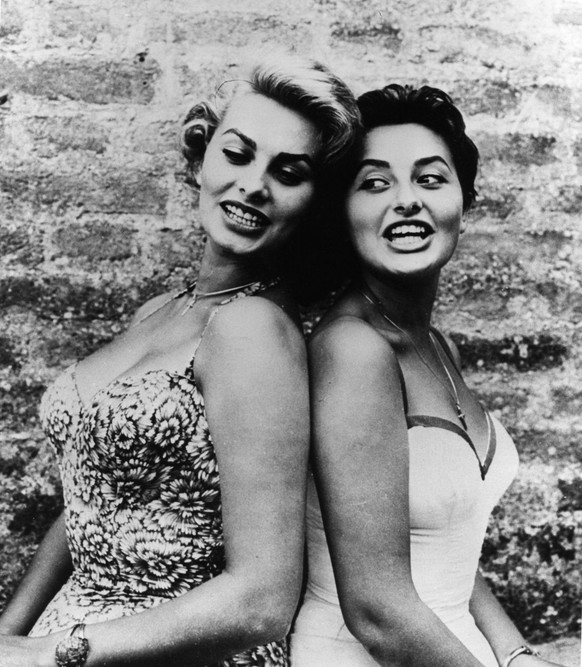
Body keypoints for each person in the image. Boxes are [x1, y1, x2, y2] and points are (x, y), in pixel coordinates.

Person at [0, 55, 360, 666]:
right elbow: (86, 501)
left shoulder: (253, 330)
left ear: (315, 203)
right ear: (201, 157)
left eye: (288, 172)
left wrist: (44, 656)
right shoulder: (160, 310)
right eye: (238, 154)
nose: (253, 185)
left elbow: (262, 601)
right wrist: (11, 633)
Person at [290, 84, 566, 666]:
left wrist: (516, 654)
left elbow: (449, 550)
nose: (406, 201)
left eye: (431, 178)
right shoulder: (353, 350)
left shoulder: (438, 347)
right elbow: (377, 611)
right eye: (374, 183)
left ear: (464, 201)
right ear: (342, 212)